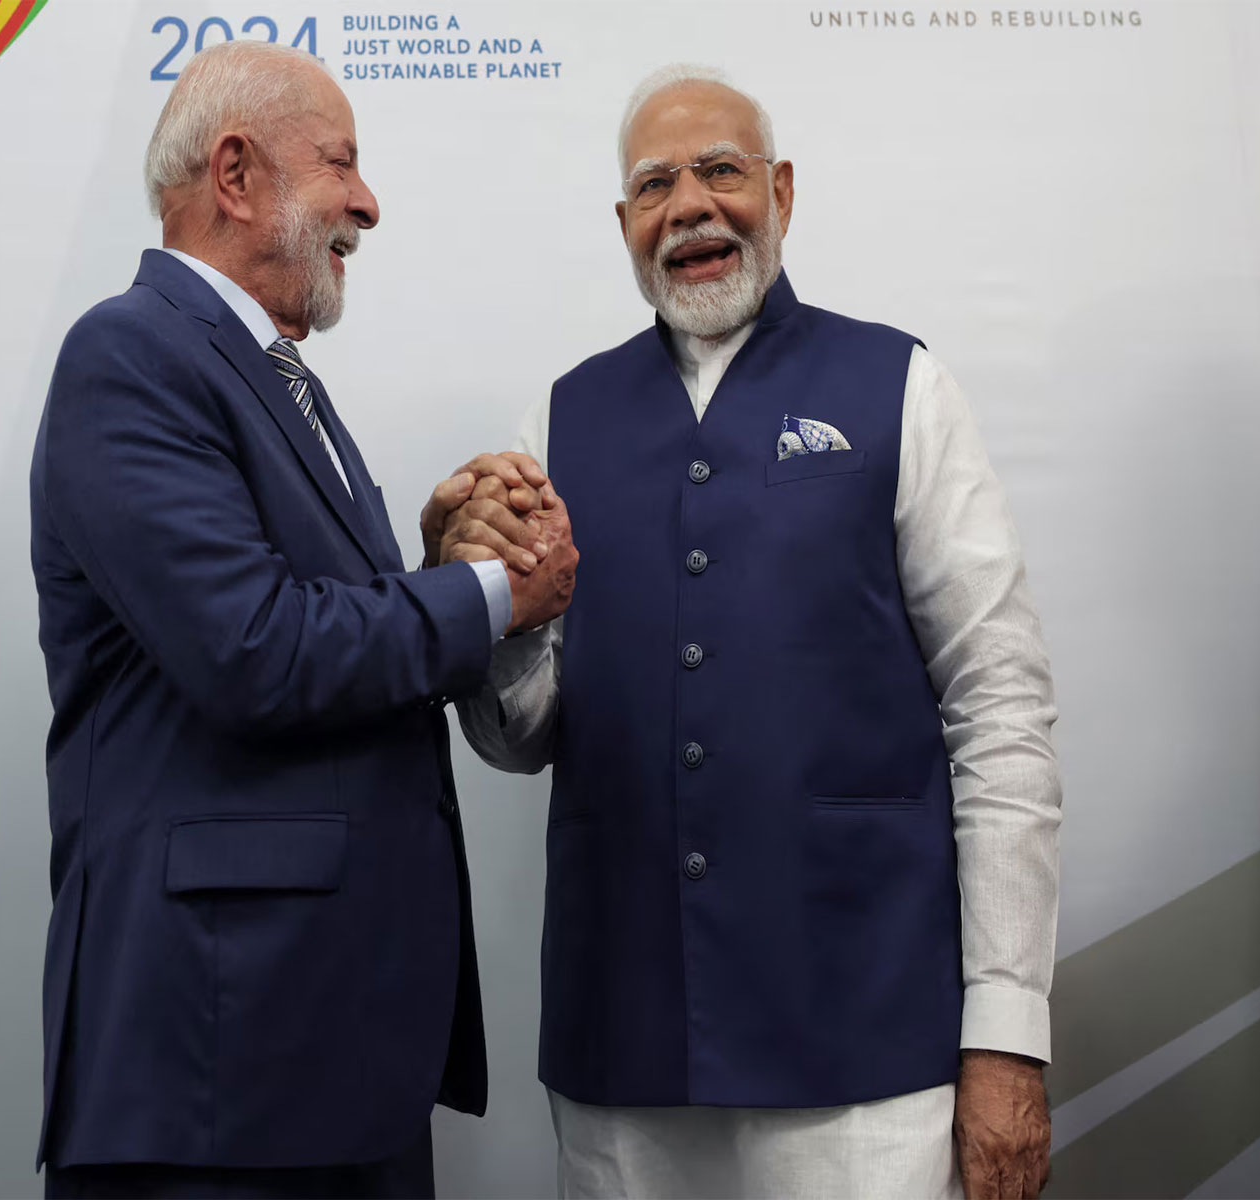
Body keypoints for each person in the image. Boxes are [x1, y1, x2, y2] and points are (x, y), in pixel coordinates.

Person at [454, 64, 1062, 1200]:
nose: (690, 204)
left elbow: (1001, 710)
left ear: (780, 192)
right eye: (655, 185)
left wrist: (1005, 1032)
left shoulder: (900, 386)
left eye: (720, 171)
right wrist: (479, 612)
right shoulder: (559, 419)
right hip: (622, 1045)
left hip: (867, 1048)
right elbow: (517, 736)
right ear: (625, 224)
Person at [28, 39, 574, 1199]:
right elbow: (255, 651)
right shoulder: (129, 354)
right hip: (216, 1064)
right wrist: (493, 593)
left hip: (326, 1045)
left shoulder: (279, 378)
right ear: (235, 174)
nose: (367, 203)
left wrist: (440, 558)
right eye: (341, 163)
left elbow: (321, 635)